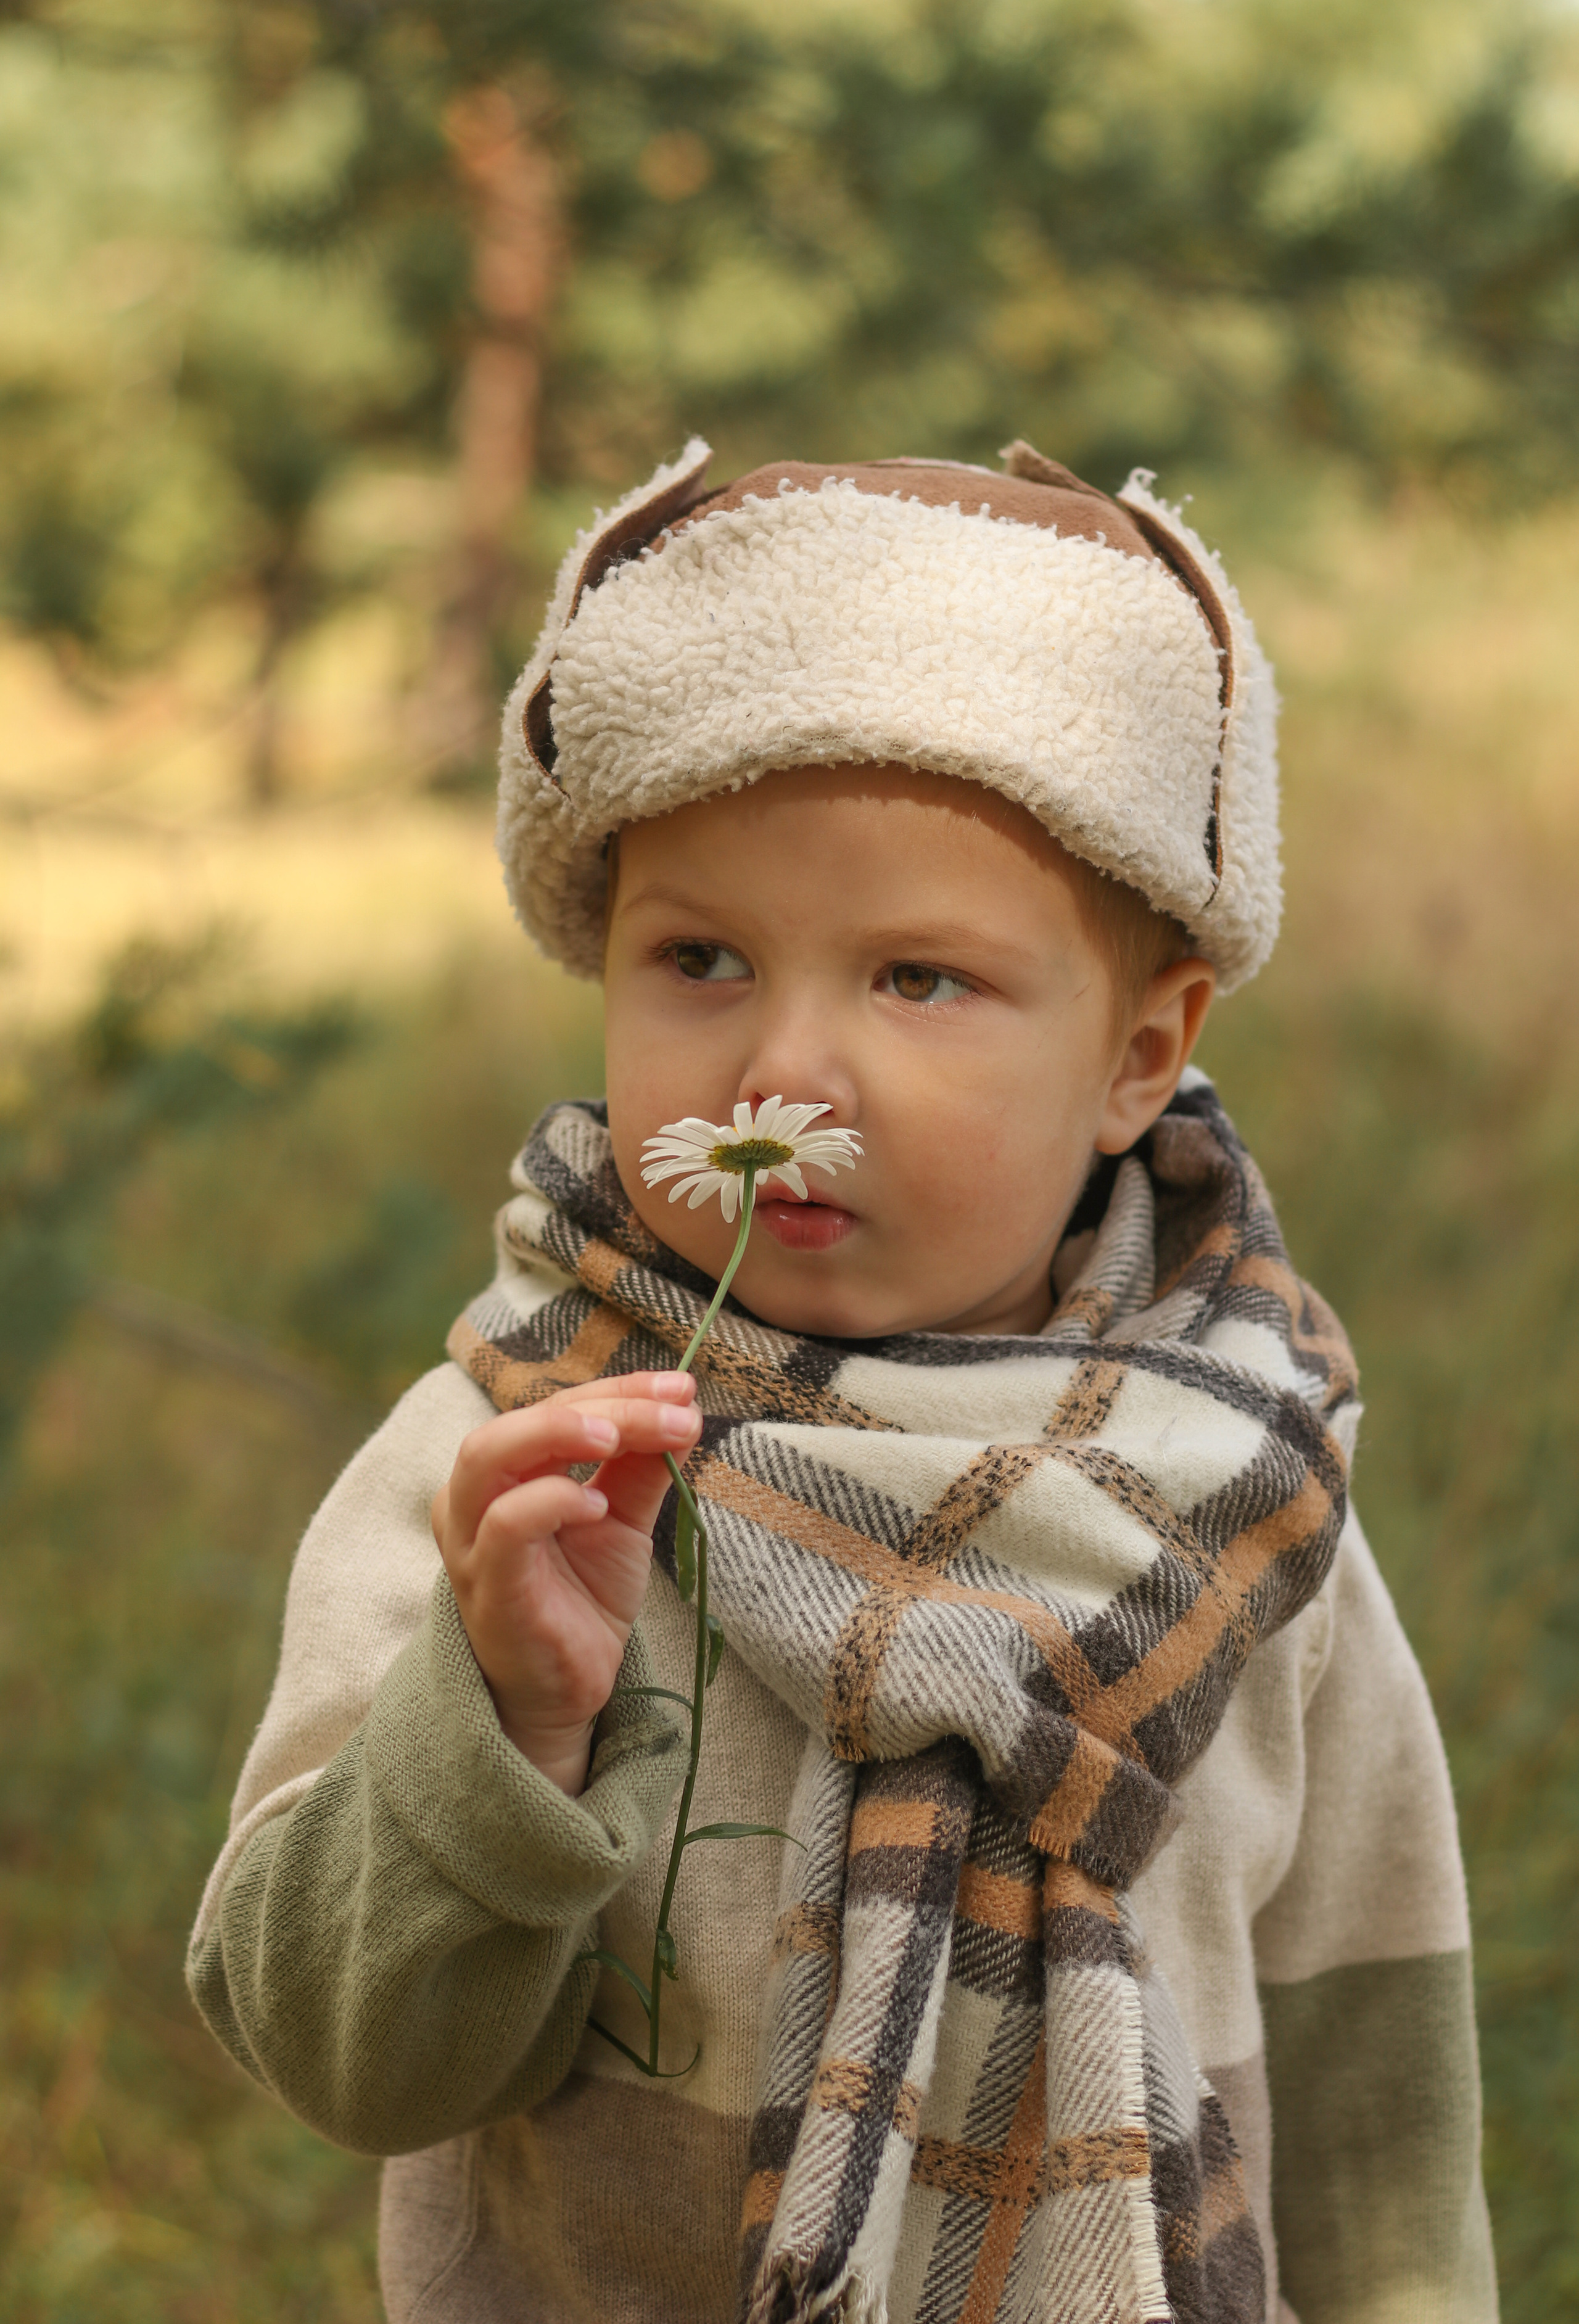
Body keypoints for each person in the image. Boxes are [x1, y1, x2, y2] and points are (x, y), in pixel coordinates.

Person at [188, 443, 1496, 2324]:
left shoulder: (1235, 1496)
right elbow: (341, 2059)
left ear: (1141, 1055)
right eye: (699, 958)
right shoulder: (519, 1470)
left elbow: (1381, 2106)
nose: (784, 1072)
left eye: (920, 980)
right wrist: (505, 1729)